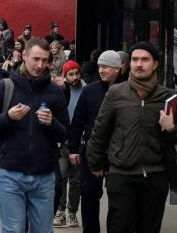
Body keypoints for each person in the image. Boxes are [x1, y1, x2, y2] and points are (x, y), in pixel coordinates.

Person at [86, 41, 177, 233]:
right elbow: (99, 131)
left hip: (155, 176)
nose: (139, 64)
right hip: (121, 175)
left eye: (145, 60)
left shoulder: (168, 96)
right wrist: (96, 163)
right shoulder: (116, 92)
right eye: (135, 59)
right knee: (119, 227)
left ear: (155, 63)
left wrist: (171, 128)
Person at [0, 37, 70, 233]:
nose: (40, 65)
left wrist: (51, 123)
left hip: (44, 175)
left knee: (43, 231)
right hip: (10, 174)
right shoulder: (4, 87)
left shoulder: (54, 92)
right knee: (13, 230)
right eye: (36, 59)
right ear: (25, 56)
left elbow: (65, 134)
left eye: (45, 60)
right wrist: (8, 117)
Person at [68, 50, 128, 233]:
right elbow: (77, 121)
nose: (102, 70)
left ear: (118, 69)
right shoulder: (89, 91)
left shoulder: (128, 90)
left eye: (106, 67)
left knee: (119, 198)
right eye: (100, 66)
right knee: (89, 194)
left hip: (120, 152)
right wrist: (73, 149)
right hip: (92, 151)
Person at [54, 60, 84, 228]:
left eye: (77, 73)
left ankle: (72, 212)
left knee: (75, 180)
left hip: (79, 142)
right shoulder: (60, 92)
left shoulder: (86, 90)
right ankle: (60, 210)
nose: (74, 77)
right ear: (65, 76)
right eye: (71, 74)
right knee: (61, 178)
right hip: (62, 142)